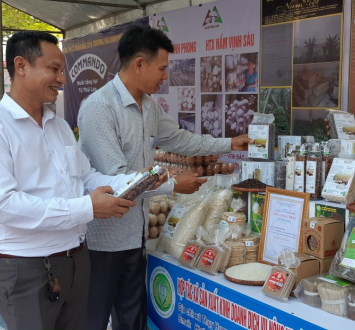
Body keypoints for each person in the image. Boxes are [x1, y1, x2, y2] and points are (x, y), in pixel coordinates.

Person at [0, 31, 165, 330]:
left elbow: (86, 177)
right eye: (54, 69)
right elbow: (3, 206)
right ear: (21, 66)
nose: (62, 79)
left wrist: (134, 182)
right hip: (28, 268)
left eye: (62, 70)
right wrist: (86, 208)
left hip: (77, 261)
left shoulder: (58, 126)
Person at [77, 25, 252, 330]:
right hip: (102, 242)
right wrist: (173, 185)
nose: (165, 76)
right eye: (161, 68)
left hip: (135, 236)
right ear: (139, 64)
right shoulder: (99, 108)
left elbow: (182, 140)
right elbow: (118, 182)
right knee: (93, 320)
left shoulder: (149, 107)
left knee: (132, 320)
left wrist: (231, 143)